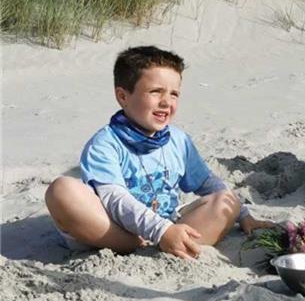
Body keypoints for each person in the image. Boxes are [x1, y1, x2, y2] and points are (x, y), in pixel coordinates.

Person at [45, 46, 273, 260]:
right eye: (156, 92)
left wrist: (244, 216)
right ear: (123, 96)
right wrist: (161, 230)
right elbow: (114, 199)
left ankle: (173, 242)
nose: (166, 102)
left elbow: (207, 183)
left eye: (174, 94)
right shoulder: (105, 143)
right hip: (114, 230)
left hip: (166, 223)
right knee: (62, 190)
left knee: (227, 202)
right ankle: (146, 243)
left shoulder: (178, 140)